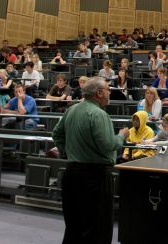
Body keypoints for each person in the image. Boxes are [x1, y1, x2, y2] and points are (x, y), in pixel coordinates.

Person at [52, 77, 130, 244]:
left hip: (72, 174)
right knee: (97, 227)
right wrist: (121, 136)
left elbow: (56, 135)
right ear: (99, 93)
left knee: (74, 226)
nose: (110, 92)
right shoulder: (99, 114)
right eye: (108, 89)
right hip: (96, 177)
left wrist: (68, 151)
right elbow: (108, 145)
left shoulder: (71, 110)